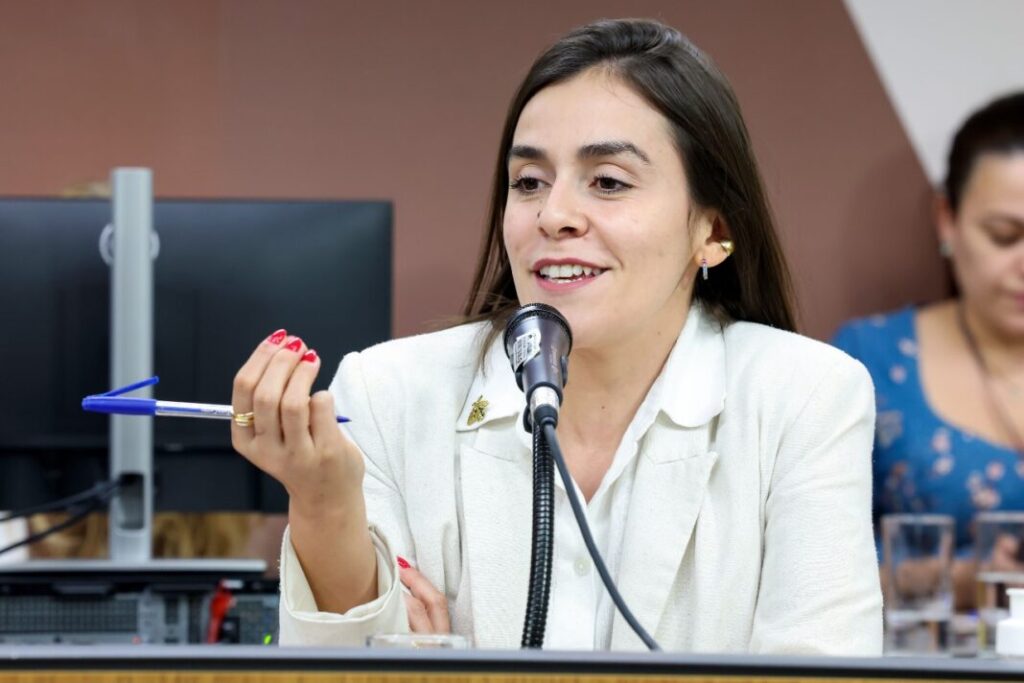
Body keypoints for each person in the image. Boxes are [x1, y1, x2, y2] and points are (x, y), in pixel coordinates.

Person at [231, 19, 882, 653]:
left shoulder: (806, 396)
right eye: (529, 182)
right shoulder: (386, 393)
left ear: (712, 231)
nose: (554, 214)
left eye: (608, 182)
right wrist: (323, 509)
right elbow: (341, 673)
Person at [832, 92, 1024, 609]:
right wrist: (959, 579)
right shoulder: (869, 361)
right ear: (947, 220)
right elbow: (813, 570)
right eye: (1005, 236)